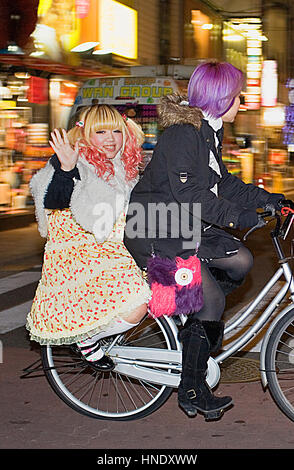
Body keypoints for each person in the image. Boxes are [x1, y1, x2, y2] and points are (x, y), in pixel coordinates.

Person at [123, 60, 285, 419]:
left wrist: (268, 200)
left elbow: (221, 183)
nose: (240, 102)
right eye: (237, 96)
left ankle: (190, 322)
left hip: (182, 224)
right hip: (155, 228)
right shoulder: (183, 133)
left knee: (241, 260)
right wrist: (238, 216)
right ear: (221, 97)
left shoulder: (208, 131)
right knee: (209, 302)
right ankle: (192, 389)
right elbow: (191, 192)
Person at [26, 104, 151, 371]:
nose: (110, 139)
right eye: (101, 131)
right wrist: (66, 169)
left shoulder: (123, 164)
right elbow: (54, 203)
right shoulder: (73, 158)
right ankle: (86, 340)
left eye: (117, 131)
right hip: (83, 255)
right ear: (85, 135)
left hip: (116, 247)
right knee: (138, 304)